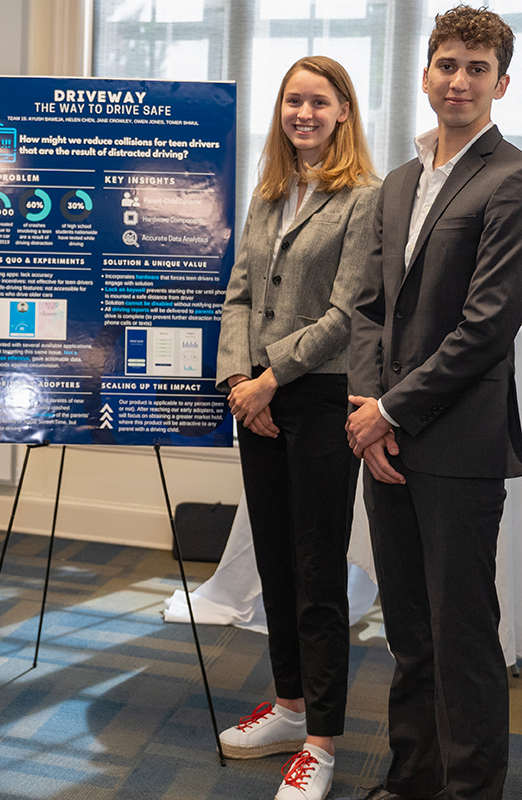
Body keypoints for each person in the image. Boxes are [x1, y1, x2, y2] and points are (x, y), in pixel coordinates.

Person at [345, 6, 522, 800]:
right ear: (424, 75)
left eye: (477, 69)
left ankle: (472, 790)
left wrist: (391, 411)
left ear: (502, 84)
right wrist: (363, 406)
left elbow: (486, 326)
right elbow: (367, 309)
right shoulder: (399, 182)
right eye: (447, 64)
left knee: (462, 636)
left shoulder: (512, 179)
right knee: (408, 632)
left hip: (457, 442)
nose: (459, 80)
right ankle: (411, 777)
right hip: (384, 437)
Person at [215, 56, 379, 800]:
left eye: (319, 101)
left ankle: (322, 742)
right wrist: (238, 384)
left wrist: (269, 380)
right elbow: (240, 293)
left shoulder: (365, 200)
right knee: (275, 563)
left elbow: (347, 313)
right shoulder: (269, 192)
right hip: (258, 398)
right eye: (292, 101)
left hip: (318, 400)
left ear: (343, 110)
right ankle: (287, 706)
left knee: (316, 572)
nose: (304, 113)